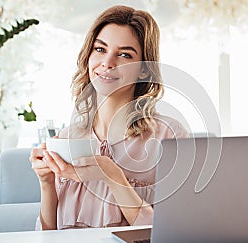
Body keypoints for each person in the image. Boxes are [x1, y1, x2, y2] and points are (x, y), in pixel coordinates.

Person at [29, 5, 188, 230]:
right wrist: (46, 183)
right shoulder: (67, 138)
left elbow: (171, 234)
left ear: (144, 69)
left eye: (124, 54)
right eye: (100, 49)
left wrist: (112, 176)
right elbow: (47, 237)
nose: (107, 63)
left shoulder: (169, 137)